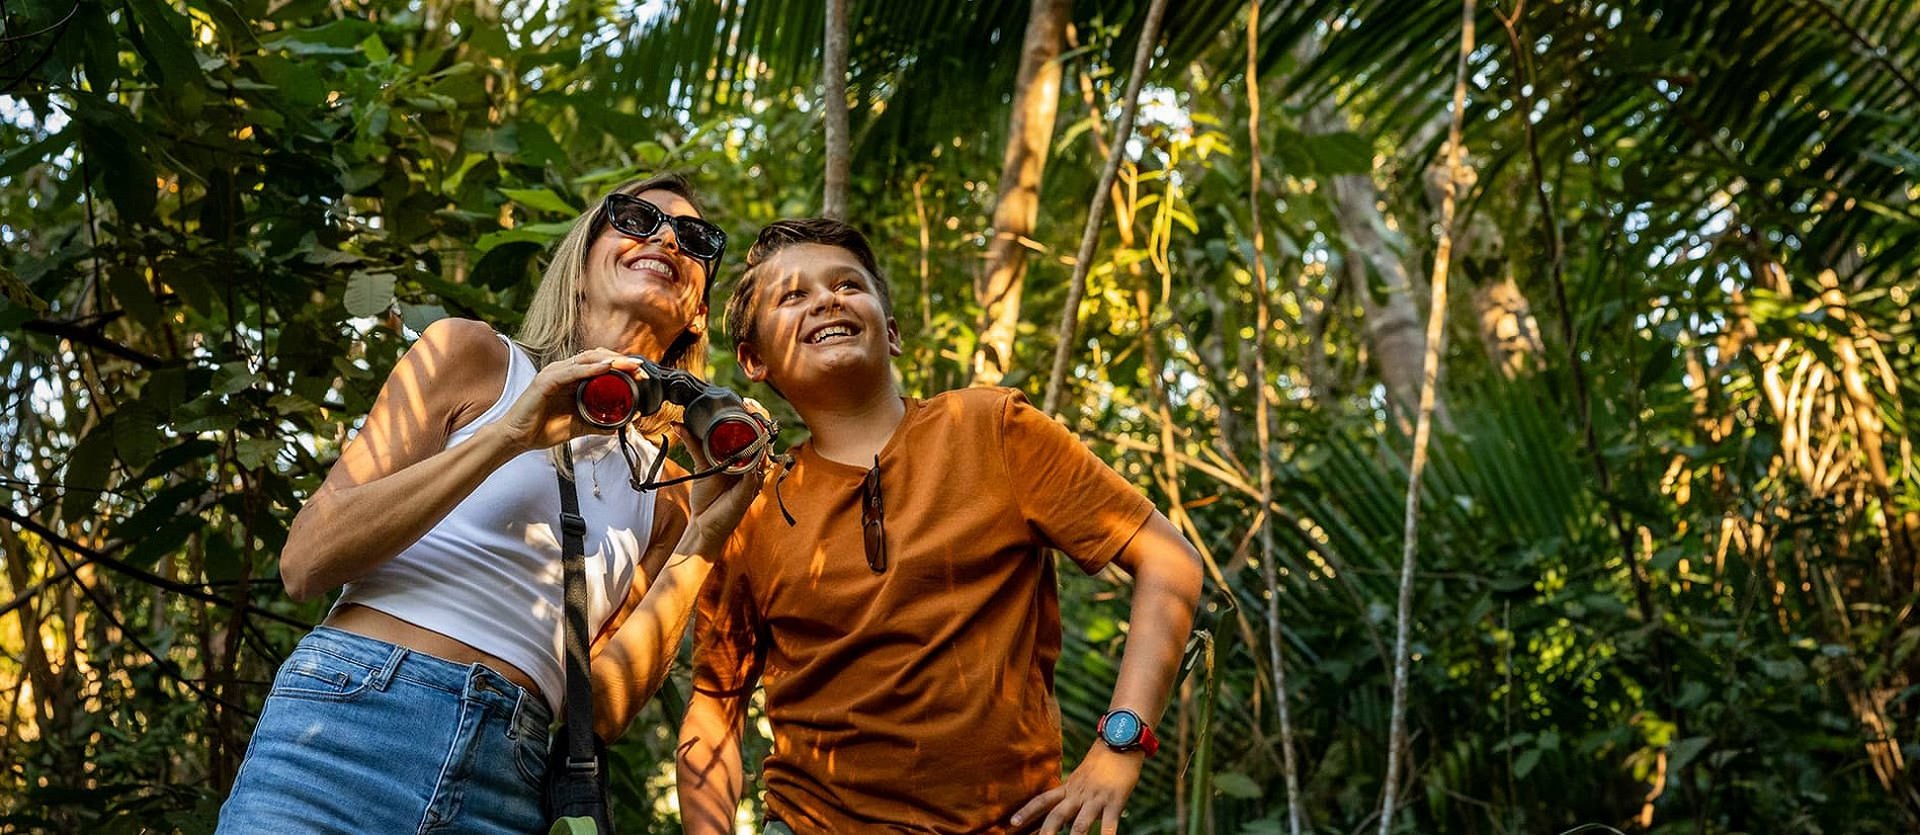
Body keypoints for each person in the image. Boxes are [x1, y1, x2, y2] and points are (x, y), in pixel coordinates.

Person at [217, 174, 765, 834]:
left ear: (698, 311)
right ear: (582, 265)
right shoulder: (473, 357)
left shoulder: (667, 496)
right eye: (636, 219)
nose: (668, 237)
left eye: (695, 238)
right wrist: (512, 434)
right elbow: (306, 560)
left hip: (509, 774)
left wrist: (704, 532)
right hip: (347, 723)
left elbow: (606, 709)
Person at [676, 218, 1205, 835]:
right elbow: (715, 703)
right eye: (792, 296)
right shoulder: (753, 507)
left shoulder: (993, 429)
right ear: (754, 358)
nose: (825, 299)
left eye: (847, 285)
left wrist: (1120, 750)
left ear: (891, 331)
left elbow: (1170, 560)